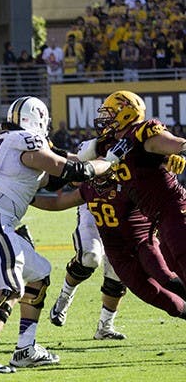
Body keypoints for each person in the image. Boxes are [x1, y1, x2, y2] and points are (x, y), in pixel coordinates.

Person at [0, 96, 121, 374]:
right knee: (10, 288)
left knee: (38, 275)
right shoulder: (25, 140)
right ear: (37, 120)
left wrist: (92, 160)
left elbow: (55, 175)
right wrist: (108, 164)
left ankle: (25, 348)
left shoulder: (8, 142)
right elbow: (71, 169)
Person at [32, 172, 186, 324]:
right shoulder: (88, 188)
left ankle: (105, 325)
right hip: (118, 254)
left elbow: (160, 198)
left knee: (165, 276)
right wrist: (26, 198)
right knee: (156, 296)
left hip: (142, 242)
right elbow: (58, 202)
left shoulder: (129, 182)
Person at [93, 90, 186, 287]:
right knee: (177, 273)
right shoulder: (114, 144)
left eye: (109, 114)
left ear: (125, 113)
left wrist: (178, 151)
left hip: (175, 211)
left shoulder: (143, 133)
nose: (104, 120)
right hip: (160, 219)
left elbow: (177, 144)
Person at [46, 140, 128, 339]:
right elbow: (74, 168)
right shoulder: (96, 145)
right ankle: (64, 298)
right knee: (90, 256)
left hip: (122, 215)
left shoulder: (133, 144)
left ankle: (105, 327)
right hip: (92, 208)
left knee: (118, 271)